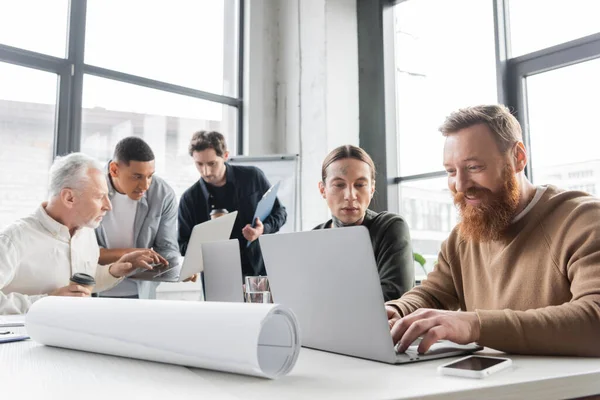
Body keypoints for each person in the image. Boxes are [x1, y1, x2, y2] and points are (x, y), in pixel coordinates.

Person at [386, 104, 600, 357]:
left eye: (474, 167)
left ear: (518, 158)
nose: (461, 185)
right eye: (451, 171)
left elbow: (594, 317)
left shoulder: (584, 220)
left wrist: (475, 325)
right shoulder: (462, 237)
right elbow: (433, 294)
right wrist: (396, 311)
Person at [0, 153, 154, 314]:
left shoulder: (86, 232)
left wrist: (114, 270)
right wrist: (45, 303)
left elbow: (81, 283)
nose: (108, 206)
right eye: (100, 197)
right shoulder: (13, 240)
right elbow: (58, 300)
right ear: (69, 198)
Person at [178, 131, 287, 278]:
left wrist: (262, 230)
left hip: (259, 270)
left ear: (225, 156)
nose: (206, 171)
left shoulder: (252, 177)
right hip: (216, 277)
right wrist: (207, 240)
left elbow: (280, 213)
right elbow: (183, 247)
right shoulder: (189, 199)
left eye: (212, 163)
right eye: (199, 164)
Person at [313, 145, 414, 301]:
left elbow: (393, 298)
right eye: (339, 185)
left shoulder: (389, 227)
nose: (350, 195)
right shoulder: (313, 237)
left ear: (372, 189)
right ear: (322, 190)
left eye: (360, 185)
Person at [95, 137, 190, 298]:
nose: (145, 185)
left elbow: (167, 248)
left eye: (150, 176)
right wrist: (133, 254)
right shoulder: (90, 189)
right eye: (137, 176)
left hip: (141, 294)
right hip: (96, 292)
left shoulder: (162, 194)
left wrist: (178, 268)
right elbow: (82, 254)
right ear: (114, 170)